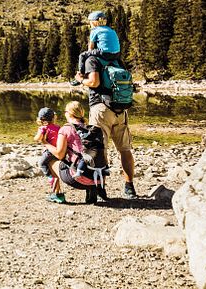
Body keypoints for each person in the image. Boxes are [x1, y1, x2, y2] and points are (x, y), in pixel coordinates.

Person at [75, 55, 138, 199]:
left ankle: (100, 188)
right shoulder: (117, 60)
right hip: (120, 109)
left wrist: (80, 80)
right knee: (125, 149)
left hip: (101, 109)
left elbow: (94, 82)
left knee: (99, 149)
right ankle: (129, 188)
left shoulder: (92, 59)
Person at [43, 101, 99, 204]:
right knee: (83, 157)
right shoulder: (89, 128)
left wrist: (45, 143)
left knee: (50, 160)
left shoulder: (66, 129)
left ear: (69, 113)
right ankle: (92, 192)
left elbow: (59, 154)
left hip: (77, 179)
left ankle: (57, 194)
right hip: (97, 179)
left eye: (65, 111)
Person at [71, 11, 121, 86]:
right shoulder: (111, 30)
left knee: (82, 55)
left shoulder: (95, 30)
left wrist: (89, 56)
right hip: (116, 54)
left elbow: (90, 47)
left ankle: (80, 76)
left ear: (94, 22)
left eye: (90, 22)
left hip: (104, 53)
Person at [34, 107, 60, 178]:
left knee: (41, 163)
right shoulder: (58, 127)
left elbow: (37, 138)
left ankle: (50, 177)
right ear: (53, 117)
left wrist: (35, 138)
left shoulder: (43, 128)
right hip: (58, 150)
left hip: (50, 151)